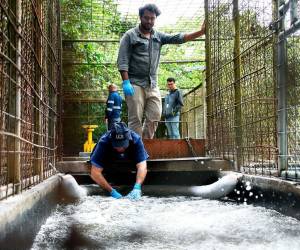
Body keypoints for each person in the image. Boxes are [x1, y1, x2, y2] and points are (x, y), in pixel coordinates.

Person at [117, 3, 205, 139]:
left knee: (155, 115)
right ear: (140, 17)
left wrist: (200, 32)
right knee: (135, 119)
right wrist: (126, 82)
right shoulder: (130, 35)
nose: (149, 21)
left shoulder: (158, 36)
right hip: (134, 83)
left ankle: (144, 146)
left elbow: (178, 38)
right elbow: (122, 60)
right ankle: (136, 150)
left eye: (152, 18)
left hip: (152, 84)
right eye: (146, 18)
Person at [90, 122, 148, 200]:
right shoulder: (104, 141)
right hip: (109, 166)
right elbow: (95, 172)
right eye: (117, 145)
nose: (120, 148)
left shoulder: (136, 139)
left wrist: (137, 187)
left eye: (123, 145)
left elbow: (142, 166)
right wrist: (111, 191)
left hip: (130, 165)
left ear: (128, 138)